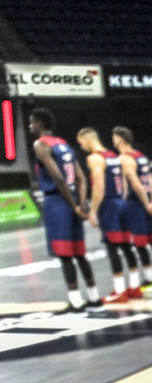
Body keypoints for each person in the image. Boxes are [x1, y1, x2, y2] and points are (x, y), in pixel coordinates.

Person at [29, 109, 100, 311]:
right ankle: (94, 297)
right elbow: (80, 177)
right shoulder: (63, 144)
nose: (30, 127)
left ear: (40, 124)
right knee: (79, 253)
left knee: (65, 255)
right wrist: (82, 203)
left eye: (31, 122)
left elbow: (58, 178)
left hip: (59, 202)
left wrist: (73, 205)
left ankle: (76, 300)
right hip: (74, 199)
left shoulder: (40, 144)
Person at [76, 127, 141, 303]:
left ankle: (119, 290)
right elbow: (125, 182)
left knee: (112, 247)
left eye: (81, 143)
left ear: (88, 140)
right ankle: (134, 287)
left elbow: (99, 186)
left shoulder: (94, 158)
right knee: (127, 245)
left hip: (109, 205)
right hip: (122, 202)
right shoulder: (113, 156)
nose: (81, 147)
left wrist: (93, 210)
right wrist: (124, 199)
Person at [112, 126, 152, 289]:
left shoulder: (124, 158)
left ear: (119, 138)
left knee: (140, 242)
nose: (112, 140)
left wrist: (146, 204)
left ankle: (150, 279)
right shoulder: (141, 156)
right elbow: (151, 180)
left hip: (137, 203)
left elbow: (136, 184)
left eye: (114, 137)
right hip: (148, 201)